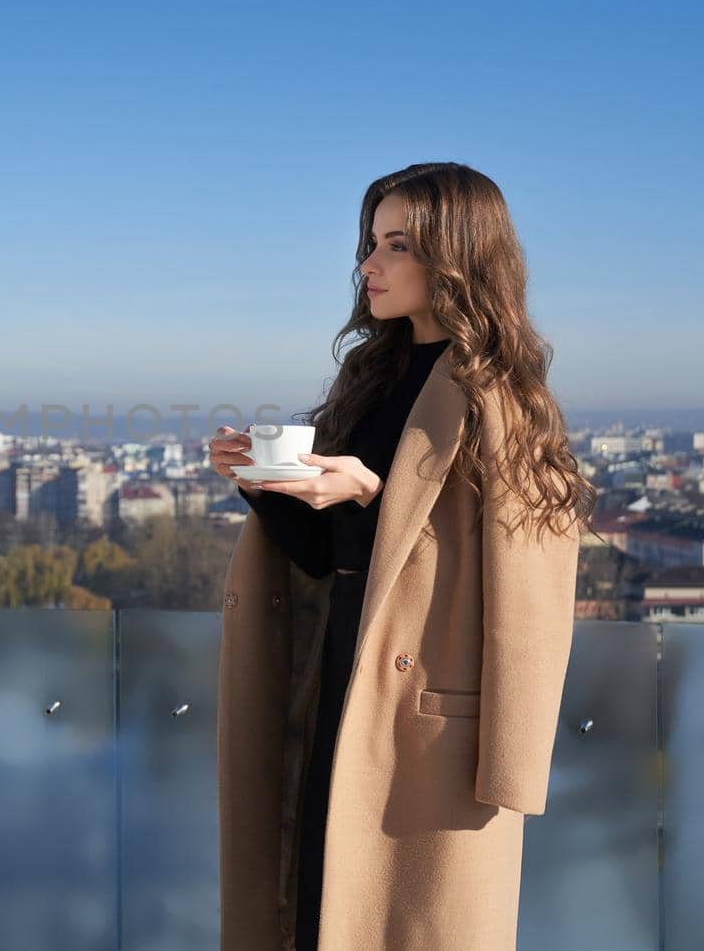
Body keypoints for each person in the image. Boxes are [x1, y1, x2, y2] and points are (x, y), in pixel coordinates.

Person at [207, 162, 597, 951]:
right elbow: (330, 558)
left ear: (456, 256)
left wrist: (369, 489)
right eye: (369, 243)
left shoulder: (500, 394)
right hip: (335, 684)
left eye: (396, 246)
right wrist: (265, 484)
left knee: (408, 925)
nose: (368, 266)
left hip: (428, 725)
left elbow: (527, 581)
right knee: (311, 908)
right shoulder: (369, 375)